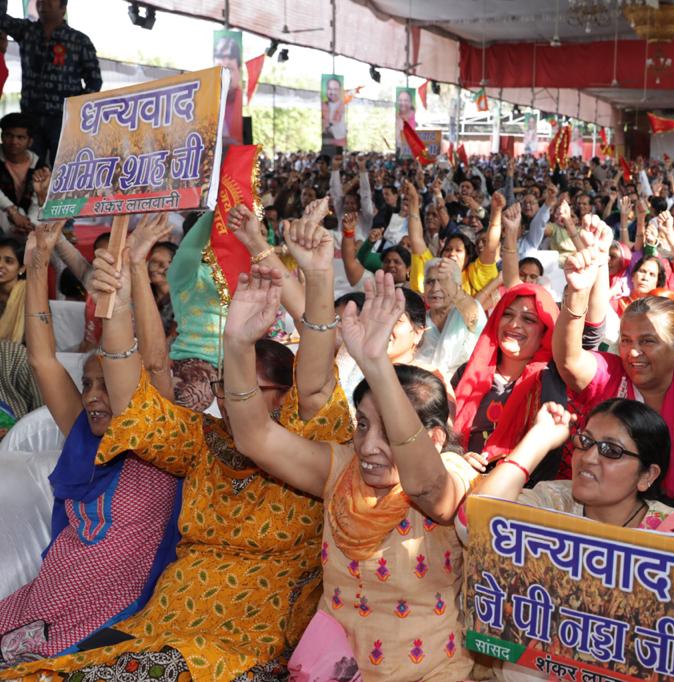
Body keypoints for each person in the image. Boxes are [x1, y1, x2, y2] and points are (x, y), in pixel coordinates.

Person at [4, 217, 355, 680]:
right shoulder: (202, 442)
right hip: (160, 622)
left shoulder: (308, 442)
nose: (234, 402)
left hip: (240, 635)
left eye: (249, 387)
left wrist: (317, 277)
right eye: (226, 387)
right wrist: (120, 302)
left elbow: (315, 380)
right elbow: (134, 397)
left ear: (284, 396)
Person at [221, 267, 478, 681]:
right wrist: (235, 345)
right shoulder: (342, 468)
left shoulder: (451, 472)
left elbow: (426, 487)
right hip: (331, 670)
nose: (370, 445)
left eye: (389, 431)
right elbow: (254, 438)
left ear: (433, 437)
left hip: (430, 672)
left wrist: (376, 365)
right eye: (362, 424)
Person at [0, 221, 180, 666]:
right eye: (87, 384)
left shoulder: (157, 438)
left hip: (121, 599)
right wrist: (38, 264)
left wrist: (136, 266)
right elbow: (43, 358)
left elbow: (155, 363)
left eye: (107, 384)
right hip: (54, 587)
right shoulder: (83, 431)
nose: (95, 395)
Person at [463, 399, 674, 650]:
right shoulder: (555, 502)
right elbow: (474, 524)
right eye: (585, 441)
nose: (588, 457)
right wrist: (539, 439)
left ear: (647, 476)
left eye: (611, 450)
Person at [554, 239, 674, 525]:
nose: (632, 352)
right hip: (594, 516)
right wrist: (577, 295)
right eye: (626, 340)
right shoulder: (612, 374)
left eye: (648, 341)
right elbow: (568, 361)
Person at [452, 283, 559, 455]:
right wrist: (460, 461)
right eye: (507, 314)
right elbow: (442, 434)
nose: (514, 324)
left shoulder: (549, 383)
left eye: (529, 319)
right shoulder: (466, 373)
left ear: (545, 333)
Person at [0, 0, 100, 165]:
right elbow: (2, 19)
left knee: (63, 167)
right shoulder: (26, 30)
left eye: (49, 2)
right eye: (40, 1)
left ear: (63, 8)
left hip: (64, 120)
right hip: (30, 116)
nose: (42, 5)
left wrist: (78, 112)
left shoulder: (79, 41)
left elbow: (94, 80)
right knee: (30, 167)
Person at [414, 257, 485, 380]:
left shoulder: (466, 314)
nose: (435, 288)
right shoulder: (418, 322)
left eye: (443, 282)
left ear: (457, 287)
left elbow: (473, 312)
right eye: (430, 282)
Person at [0, 112, 46, 238]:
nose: (14, 141)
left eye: (20, 137)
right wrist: (12, 211)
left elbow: (39, 202)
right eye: (9, 135)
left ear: (30, 141)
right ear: (2, 136)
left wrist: (29, 224)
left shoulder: (40, 167)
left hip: (26, 222)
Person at [213, 34, 243, 146]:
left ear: (238, 71)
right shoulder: (206, 99)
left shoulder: (240, 100)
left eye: (229, 70)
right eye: (221, 55)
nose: (225, 61)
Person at [322, 76, 346, 148]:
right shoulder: (323, 105)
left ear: (339, 90)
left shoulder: (343, 105)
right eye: (330, 89)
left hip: (339, 141)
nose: (332, 92)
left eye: (335, 89)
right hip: (327, 141)